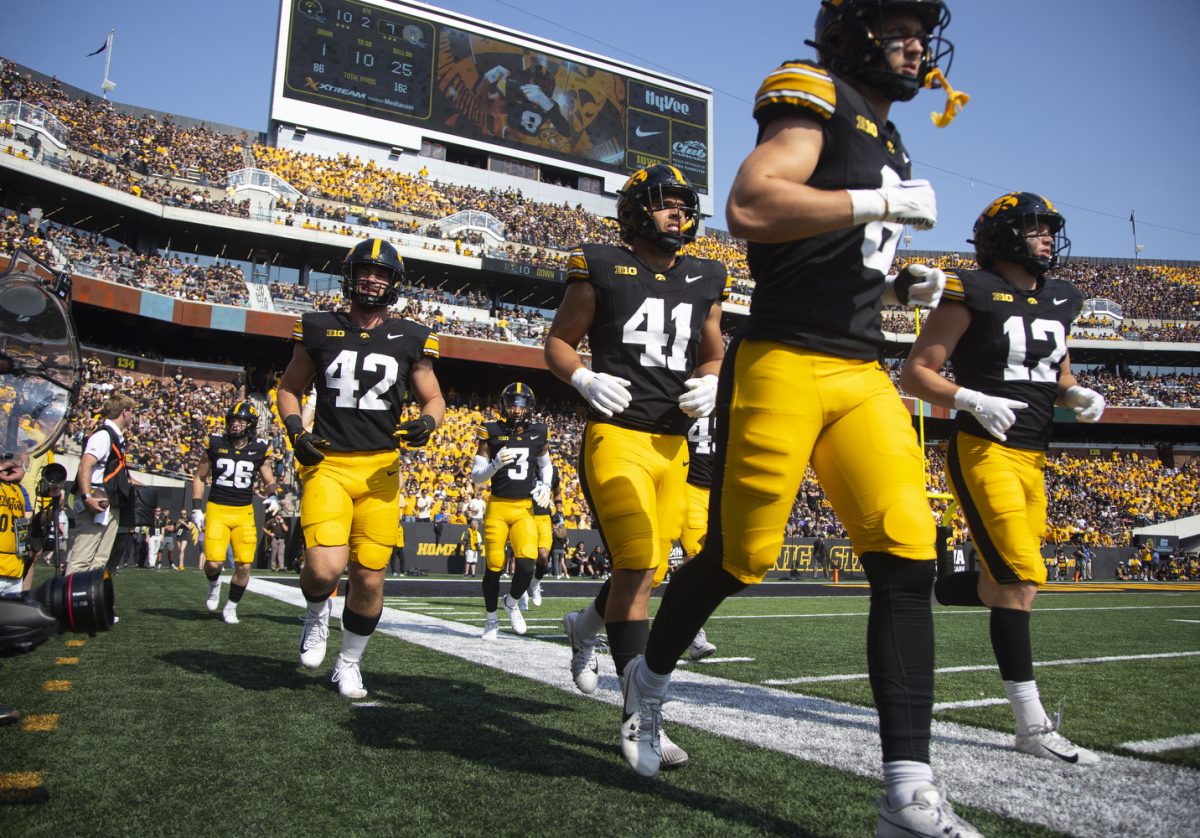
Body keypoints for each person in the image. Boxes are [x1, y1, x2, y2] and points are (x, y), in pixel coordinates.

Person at [623, 5, 981, 834]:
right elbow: (752, 205)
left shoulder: (890, 140)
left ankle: (907, 793)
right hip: (782, 359)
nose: (917, 43)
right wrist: (868, 204)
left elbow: (831, 248)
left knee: (906, 554)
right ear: (853, 30)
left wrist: (899, 285)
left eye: (921, 28)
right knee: (741, 556)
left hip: (862, 370)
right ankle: (648, 680)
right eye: (898, 23)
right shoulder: (812, 93)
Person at [901, 191, 1106, 768]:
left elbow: (1058, 371)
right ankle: (1031, 726)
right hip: (985, 450)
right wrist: (969, 398)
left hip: (1035, 454)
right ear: (1004, 236)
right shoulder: (973, 291)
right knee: (1019, 582)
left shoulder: (1063, 298)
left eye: (1049, 228)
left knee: (1002, 585)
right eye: (1034, 227)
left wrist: (1074, 394)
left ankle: (936, 585)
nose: (1046, 237)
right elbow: (916, 372)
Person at [545, 163, 727, 772]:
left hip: (675, 446)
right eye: (665, 204)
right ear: (634, 210)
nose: (678, 214)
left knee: (644, 569)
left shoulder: (706, 275)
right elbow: (558, 340)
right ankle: (640, 714)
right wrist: (582, 376)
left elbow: (712, 350)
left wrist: (711, 382)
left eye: (684, 205)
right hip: (618, 435)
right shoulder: (599, 264)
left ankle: (584, 627)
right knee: (640, 562)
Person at [276, 237, 445, 699]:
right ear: (350, 276)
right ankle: (315, 612)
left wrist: (427, 422)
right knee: (326, 568)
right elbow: (289, 388)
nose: (373, 279)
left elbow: (433, 397)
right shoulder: (316, 327)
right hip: (328, 463)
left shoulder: (411, 336)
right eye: (366, 271)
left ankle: (348, 663)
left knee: (370, 575)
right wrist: (295, 429)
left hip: (381, 472)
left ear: (394, 283)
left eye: (383, 273)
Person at [471, 382, 550, 640]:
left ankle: (512, 602)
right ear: (504, 405)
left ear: (529, 407)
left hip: (524, 507)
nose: (517, 410)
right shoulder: (490, 430)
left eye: (522, 404)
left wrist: (546, 485)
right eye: (513, 404)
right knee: (494, 564)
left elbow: (546, 465)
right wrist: (494, 464)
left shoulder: (539, 431)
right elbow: (477, 476)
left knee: (527, 565)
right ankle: (491, 620)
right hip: (498, 506)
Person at [192, 401, 280, 624]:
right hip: (217, 509)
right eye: (233, 419)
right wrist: (195, 508)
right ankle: (214, 584)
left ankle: (231, 606)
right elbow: (200, 476)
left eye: (241, 420)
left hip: (243, 512)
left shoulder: (259, 448)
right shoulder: (215, 443)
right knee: (213, 562)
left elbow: (269, 479)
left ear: (250, 424)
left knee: (244, 564)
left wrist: (273, 495)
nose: (235, 424)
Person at [67, 393, 137, 575]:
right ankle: (69, 601)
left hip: (110, 501)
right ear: (124, 412)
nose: (133, 417)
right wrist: (86, 497)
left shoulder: (115, 436)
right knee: (82, 558)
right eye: (132, 412)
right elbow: (85, 465)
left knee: (100, 559)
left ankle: (88, 599)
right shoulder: (104, 435)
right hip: (97, 501)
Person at [679, 416, 717, 659]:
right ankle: (695, 635)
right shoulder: (687, 395)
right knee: (693, 561)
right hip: (690, 487)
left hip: (719, 491)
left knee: (713, 566)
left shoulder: (731, 398)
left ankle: (591, 618)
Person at [528, 460, 562, 607]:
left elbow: (557, 490)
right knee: (525, 558)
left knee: (543, 555)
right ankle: (520, 593)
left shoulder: (553, 470)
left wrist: (559, 510)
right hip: (525, 514)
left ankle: (535, 583)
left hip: (543, 516)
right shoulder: (525, 465)